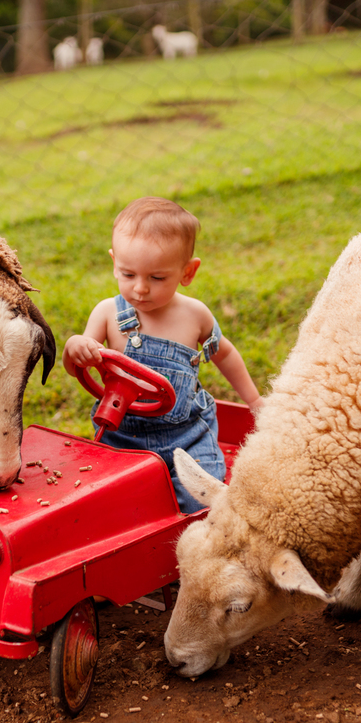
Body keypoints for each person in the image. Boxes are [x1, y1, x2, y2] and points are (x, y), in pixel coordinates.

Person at [63, 197, 265, 513]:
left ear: (188, 272)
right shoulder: (107, 314)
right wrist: (77, 346)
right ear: (114, 262)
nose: (140, 289)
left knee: (203, 500)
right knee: (111, 503)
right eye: (128, 274)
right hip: (121, 435)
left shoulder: (195, 315)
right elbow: (79, 364)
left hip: (188, 435)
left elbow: (224, 354)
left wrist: (253, 401)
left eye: (157, 278)